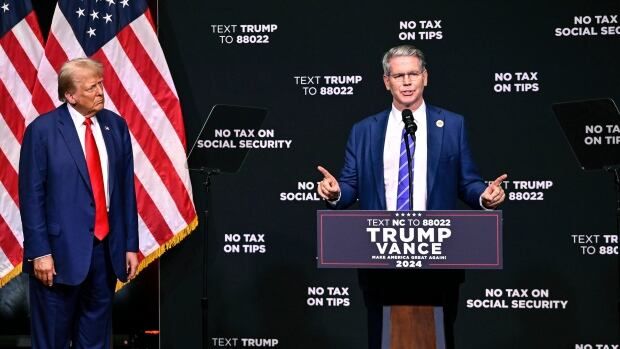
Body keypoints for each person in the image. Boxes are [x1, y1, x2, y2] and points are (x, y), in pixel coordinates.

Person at [316, 45, 506, 349]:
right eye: (399, 75)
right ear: (386, 81)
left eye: (413, 74)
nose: (406, 81)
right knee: (382, 338)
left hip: (439, 256)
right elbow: (350, 185)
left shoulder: (453, 125)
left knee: (439, 337)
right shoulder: (364, 130)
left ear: (425, 78)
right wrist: (335, 192)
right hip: (380, 256)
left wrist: (485, 195)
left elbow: (467, 182)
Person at [19, 58, 139, 349]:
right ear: (70, 96)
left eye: (100, 84)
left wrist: (129, 244)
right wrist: (40, 252)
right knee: (53, 342)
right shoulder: (43, 131)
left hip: (105, 252)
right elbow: (31, 196)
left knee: (96, 340)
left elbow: (125, 190)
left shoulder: (115, 125)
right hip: (58, 257)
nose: (100, 92)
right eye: (92, 87)